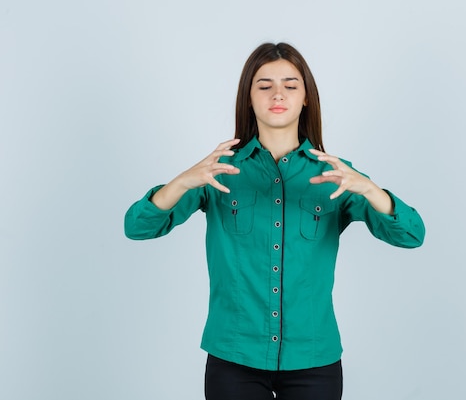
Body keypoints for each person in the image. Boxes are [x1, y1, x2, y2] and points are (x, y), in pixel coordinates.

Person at [124, 42, 425, 400]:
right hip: (233, 357)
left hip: (314, 360)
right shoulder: (219, 171)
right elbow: (137, 227)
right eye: (264, 85)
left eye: (290, 85)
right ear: (248, 98)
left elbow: (412, 235)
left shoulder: (336, 175)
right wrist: (181, 182)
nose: (277, 94)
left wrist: (372, 191)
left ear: (306, 98)